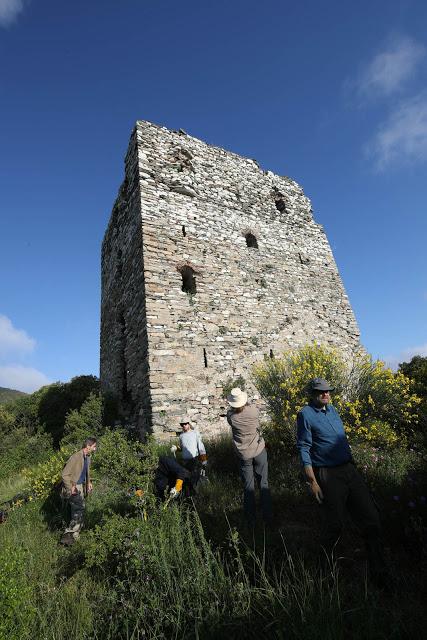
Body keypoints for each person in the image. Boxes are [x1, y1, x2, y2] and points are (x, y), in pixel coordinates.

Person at [297, 378, 386, 584]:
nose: (325, 394)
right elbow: (303, 447)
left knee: (371, 518)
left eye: (328, 391)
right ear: (312, 393)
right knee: (335, 524)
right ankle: (326, 574)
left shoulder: (333, 410)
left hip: (348, 470)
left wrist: (353, 466)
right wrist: (312, 481)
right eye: (320, 391)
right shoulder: (305, 414)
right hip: (328, 474)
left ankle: (380, 573)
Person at [226, 387, 273, 526]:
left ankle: (251, 521)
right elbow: (254, 407)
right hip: (259, 451)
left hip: (244, 455)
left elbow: (230, 412)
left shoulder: (231, 417)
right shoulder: (253, 411)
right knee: (263, 485)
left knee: (248, 488)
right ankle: (268, 519)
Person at [60, 436, 97, 546]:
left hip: (80, 485)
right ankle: (69, 532)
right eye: (94, 447)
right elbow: (64, 474)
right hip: (72, 487)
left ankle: (75, 536)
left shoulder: (87, 456)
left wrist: (88, 482)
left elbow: (84, 472)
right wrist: (71, 487)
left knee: (76, 510)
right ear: (88, 446)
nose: (95, 449)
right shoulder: (76, 457)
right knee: (81, 508)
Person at [171, 417, 207, 504]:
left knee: (194, 482)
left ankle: (195, 503)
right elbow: (183, 448)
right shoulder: (182, 436)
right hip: (185, 462)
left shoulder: (195, 433)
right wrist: (176, 448)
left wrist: (204, 459)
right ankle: (186, 501)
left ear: (189, 424)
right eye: (182, 424)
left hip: (194, 460)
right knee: (185, 481)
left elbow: (200, 446)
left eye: (185, 424)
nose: (184, 425)